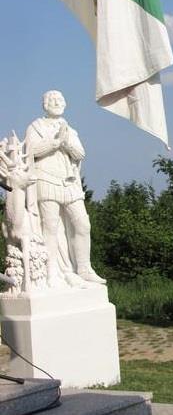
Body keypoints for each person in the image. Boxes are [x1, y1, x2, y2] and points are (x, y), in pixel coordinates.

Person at [26, 90, 105, 288]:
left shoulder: (70, 129)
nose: (57, 102)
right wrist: (54, 143)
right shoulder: (36, 127)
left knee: (82, 224)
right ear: (45, 104)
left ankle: (84, 269)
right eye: (52, 100)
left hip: (69, 182)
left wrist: (66, 142)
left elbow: (80, 154)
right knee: (50, 227)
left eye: (60, 100)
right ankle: (53, 271)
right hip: (46, 179)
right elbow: (31, 151)